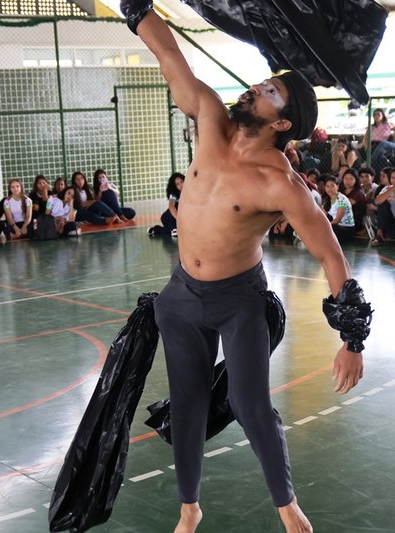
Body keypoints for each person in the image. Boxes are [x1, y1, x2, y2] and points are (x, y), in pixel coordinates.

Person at [126, 6, 370, 532]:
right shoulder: (210, 118)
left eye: (271, 92)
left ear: (283, 123)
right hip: (181, 297)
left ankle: (287, 505)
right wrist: (137, 11)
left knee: (250, 404)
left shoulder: (280, 184)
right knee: (188, 406)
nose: (258, 87)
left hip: (238, 301)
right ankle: (189, 506)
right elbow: (171, 58)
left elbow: (331, 255)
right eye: (264, 82)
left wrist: (352, 341)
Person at [148, 172, 185, 237]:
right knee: (174, 231)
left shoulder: (190, 192)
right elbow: (171, 207)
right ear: (174, 186)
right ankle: (155, 229)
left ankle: (172, 229)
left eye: (181, 181)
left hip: (178, 218)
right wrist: (179, 219)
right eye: (177, 184)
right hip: (168, 217)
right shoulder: (174, 194)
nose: (180, 185)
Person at [323, 176, 356, 243]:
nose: (329, 189)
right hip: (336, 227)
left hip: (346, 230)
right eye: (327, 186)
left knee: (331, 227)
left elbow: (337, 220)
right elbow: (322, 216)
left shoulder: (341, 199)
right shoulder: (327, 199)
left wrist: (323, 227)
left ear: (337, 186)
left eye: (332, 186)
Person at [338, 168, 366, 236]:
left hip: (354, 221)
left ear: (356, 180)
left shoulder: (358, 192)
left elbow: (345, 205)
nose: (348, 181)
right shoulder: (341, 191)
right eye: (346, 178)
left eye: (351, 179)